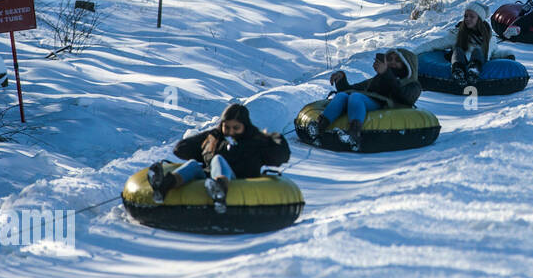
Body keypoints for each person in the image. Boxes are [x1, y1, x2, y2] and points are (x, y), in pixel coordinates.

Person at [148, 102, 291, 212]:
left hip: (240, 181)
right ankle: (163, 186)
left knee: (218, 159)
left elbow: (281, 156)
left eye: (236, 128)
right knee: (193, 164)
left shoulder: (255, 141)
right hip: (209, 177)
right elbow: (180, 149)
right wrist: (209, 138)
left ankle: (220, 191)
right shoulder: (215, 137)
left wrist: (271, 139)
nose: (230, 131)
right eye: (226, 127)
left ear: (245, 127)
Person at [316, 49, 420, 150]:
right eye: (390, 59)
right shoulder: (379, 79)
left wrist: (386, 74)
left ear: (407, 64)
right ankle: (319, 127)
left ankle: (354, 134)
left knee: (356, 96)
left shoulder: (412, 85)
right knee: (342, 96)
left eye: (397, 60)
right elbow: (351, 89)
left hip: (386, 107)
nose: (392, 62)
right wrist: (341, 79)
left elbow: (405, 97)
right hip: (366, 102)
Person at [423, 3, 505, 85]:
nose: (467, 19)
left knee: (477, 51)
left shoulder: (489, 38)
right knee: (458, 50)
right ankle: (458, 72)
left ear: (479, 19)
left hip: (479, 63)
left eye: (472, 16)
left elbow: (494, 53)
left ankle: (473, 71)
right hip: (460, 61)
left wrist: (506, 55)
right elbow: (435, 44)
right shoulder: (458, 34)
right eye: (466, 16)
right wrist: (414, 53)